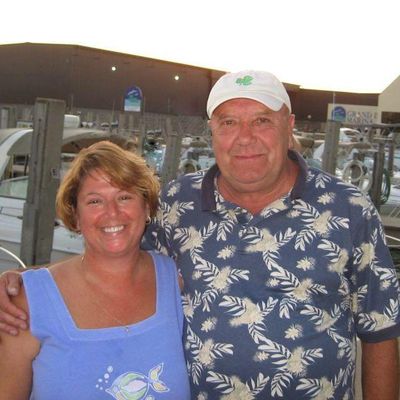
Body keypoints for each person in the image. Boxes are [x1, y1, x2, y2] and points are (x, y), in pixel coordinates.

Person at [1, 70, 399, 399]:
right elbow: (113, 256)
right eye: (229, 122)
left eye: (262, 120)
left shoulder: (348, 207)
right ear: (212, 131)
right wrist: (27, 283)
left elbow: (380, 330)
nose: (245, 137)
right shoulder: (178, 204)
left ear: (289, 126)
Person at [0, 141, 190, 399]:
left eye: (124, 197)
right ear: (76, 216)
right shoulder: (24, 305)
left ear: (146, 207)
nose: (112, 212)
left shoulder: (174, 279)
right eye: (94, 201)